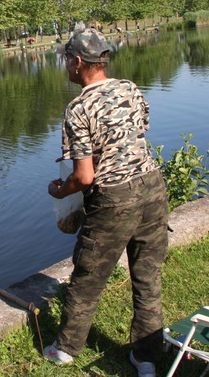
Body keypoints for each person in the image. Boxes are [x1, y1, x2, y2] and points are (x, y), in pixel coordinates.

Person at [44, 24, 168, 377]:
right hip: (152, 186)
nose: (66, 65)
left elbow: (84, 177)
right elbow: (137, 132)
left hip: (114, 199)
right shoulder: (129, 88)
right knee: (147, 276)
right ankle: (145, 358)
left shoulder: (78, 109)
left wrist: (59, 191)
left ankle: (65, 349)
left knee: (87, 277)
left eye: (67, 59)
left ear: (79, 61)